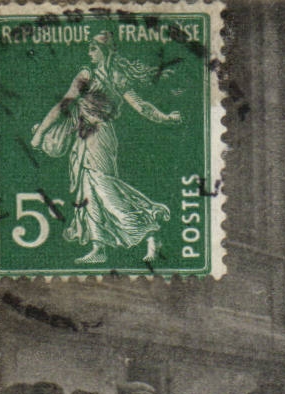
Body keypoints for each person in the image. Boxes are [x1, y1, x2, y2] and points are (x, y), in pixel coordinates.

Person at [29, 32, 181, 264]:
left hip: (100, 137)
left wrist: (167, 118)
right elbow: (64, 105)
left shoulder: (114, 78)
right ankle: (99, 247)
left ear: (105, 51)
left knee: (104, 190)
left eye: (93, 48)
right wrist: (40, 133)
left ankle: (150, 230)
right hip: (83, 137)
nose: (89, 53)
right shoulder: (86, 75)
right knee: (89, 193)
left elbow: (142, 107)